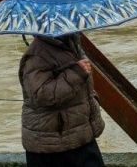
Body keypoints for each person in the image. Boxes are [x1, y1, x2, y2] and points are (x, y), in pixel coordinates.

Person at [19, 33, 106, 167]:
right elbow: (41, 95)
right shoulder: (36, 56)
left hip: (79, 135)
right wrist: (76, 73)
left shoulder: (71, 43)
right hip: (51, 145)